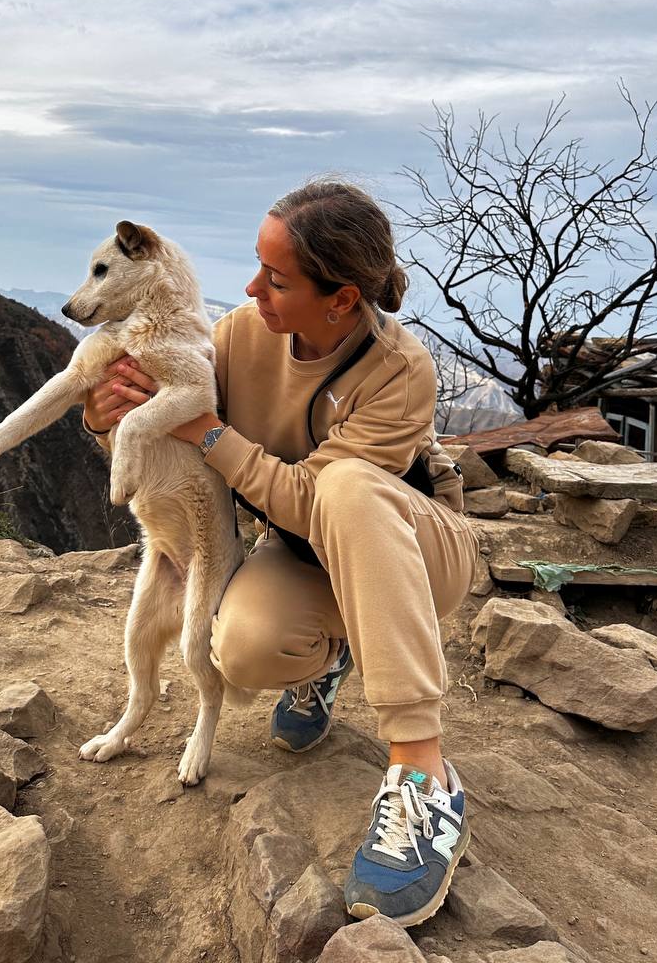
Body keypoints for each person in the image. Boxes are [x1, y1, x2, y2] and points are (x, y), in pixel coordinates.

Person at [82, 179, 479, 927]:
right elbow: (176, 442)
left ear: (341, 299)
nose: (250, 288)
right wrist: (110, 421)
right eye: (257, 267)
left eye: (276, 278)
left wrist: (207, 430)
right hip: (305, 555)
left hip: (417, 553)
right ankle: (331, 657)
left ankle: (424, 778)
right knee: (243, 650)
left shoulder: (400, 369)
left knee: (351, 489)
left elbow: (304, 496)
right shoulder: (238, 337)